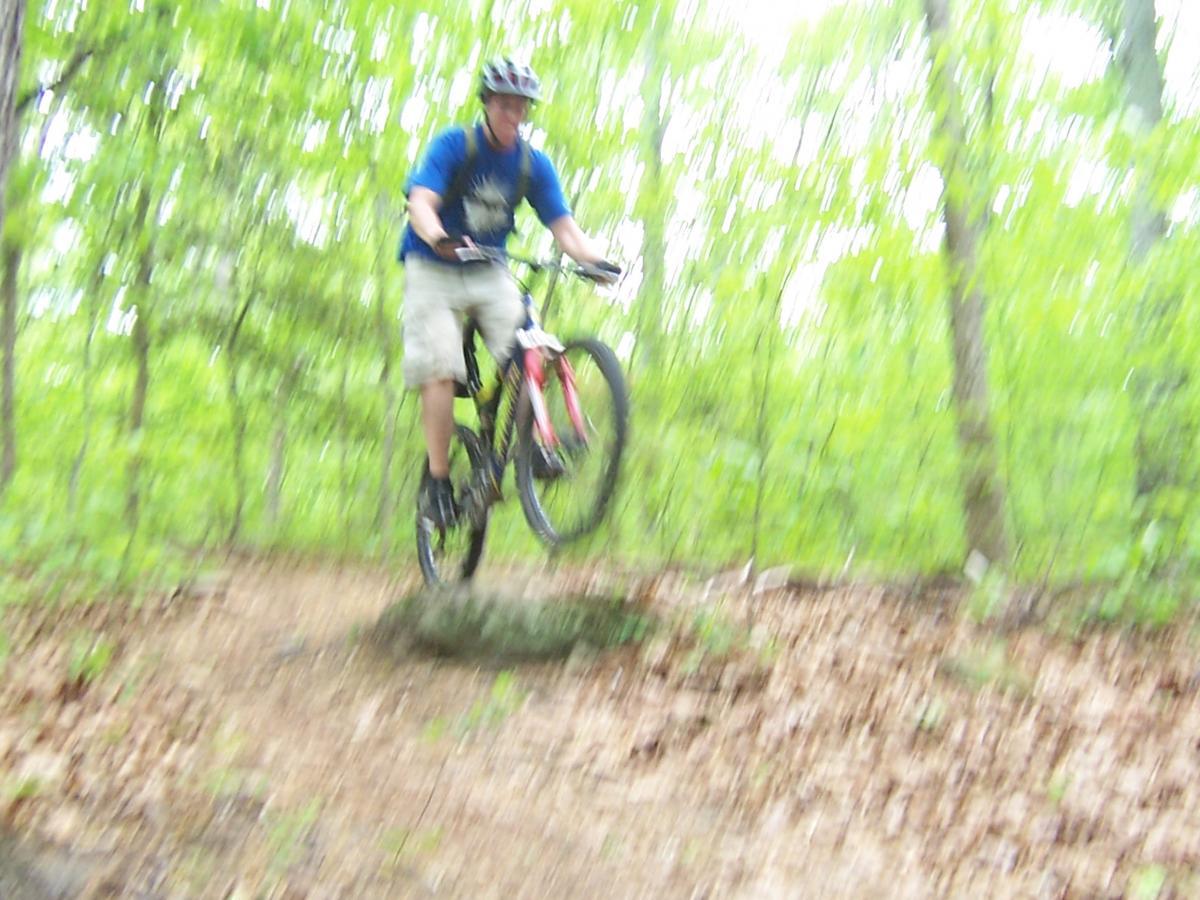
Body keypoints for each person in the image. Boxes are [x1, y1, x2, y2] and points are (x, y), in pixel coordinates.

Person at [399, 58, 619, 528]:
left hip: (488, 270)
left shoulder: (532, 166)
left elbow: (567, 230)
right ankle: (438, 482)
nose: (512, 114)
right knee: (439, 366)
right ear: (487, 103)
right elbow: (420, 201)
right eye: (504, 103)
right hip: (433, 264)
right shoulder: (456, 145)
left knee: (529, 348)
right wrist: (439, 237)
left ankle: (532, 445)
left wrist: (596, 262)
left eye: (520, 106)